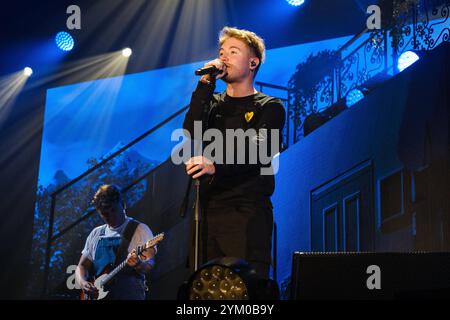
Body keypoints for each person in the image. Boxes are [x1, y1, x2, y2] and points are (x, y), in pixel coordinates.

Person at [183, 27, 285, 279]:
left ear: (253, 62)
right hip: (208, 211)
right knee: (205, 289)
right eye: (221, 52)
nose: (224, 57)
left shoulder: (269, 107)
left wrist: (216, 163)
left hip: (246, 212)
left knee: (244, 289)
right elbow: (191, 128)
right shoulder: (212, 103)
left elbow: (260, 148)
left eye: (233, 51)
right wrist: (205, 84)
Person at [75, 184, 157, 300]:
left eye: (113, 210)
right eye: (105, 213)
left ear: (123, 205)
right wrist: (83, 282)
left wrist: (138, 264)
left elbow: (150, 263)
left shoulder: (139, 229)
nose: (110, 216)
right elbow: (82, 265)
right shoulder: (96, 234)